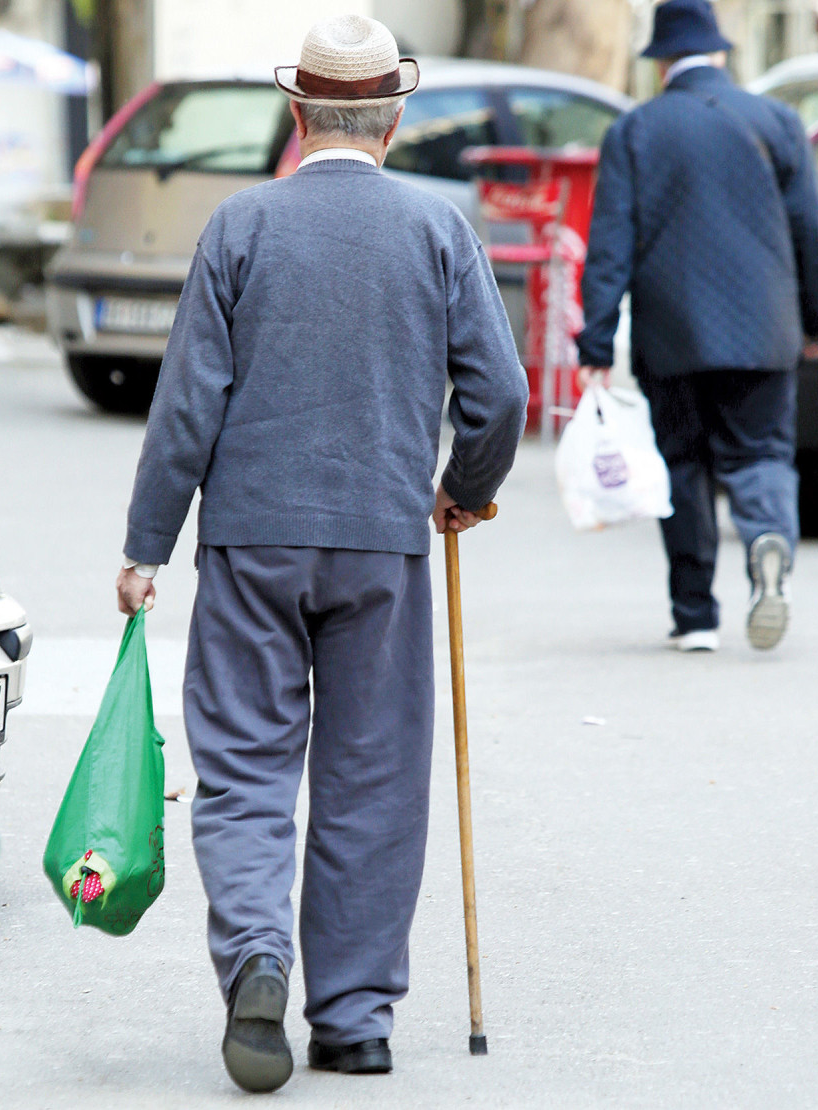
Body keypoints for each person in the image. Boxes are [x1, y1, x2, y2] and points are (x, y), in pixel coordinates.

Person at [115, 14, 528, 1094]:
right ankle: (352, 1022)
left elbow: (187, 404)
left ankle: (257, 956)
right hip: (383, 541)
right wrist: (462, 492)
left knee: (246, 767)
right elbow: (501, 395)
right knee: (373, 777)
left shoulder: (240, 224)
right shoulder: (438, 231)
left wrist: (146, 545)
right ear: (393, 116)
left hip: (250, 540)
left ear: (297, 114)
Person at [577, 0, 818, 653]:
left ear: (662, 62)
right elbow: (816, 234)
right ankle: (768, 540)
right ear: (718, 53)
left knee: (683, 465)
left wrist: (597, 340)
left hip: (673, 334)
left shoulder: (636, 130)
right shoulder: (777, 120)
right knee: (762, 454)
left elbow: (610, 245)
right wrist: (817, 319)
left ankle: (695, 614)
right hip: (764, 330)